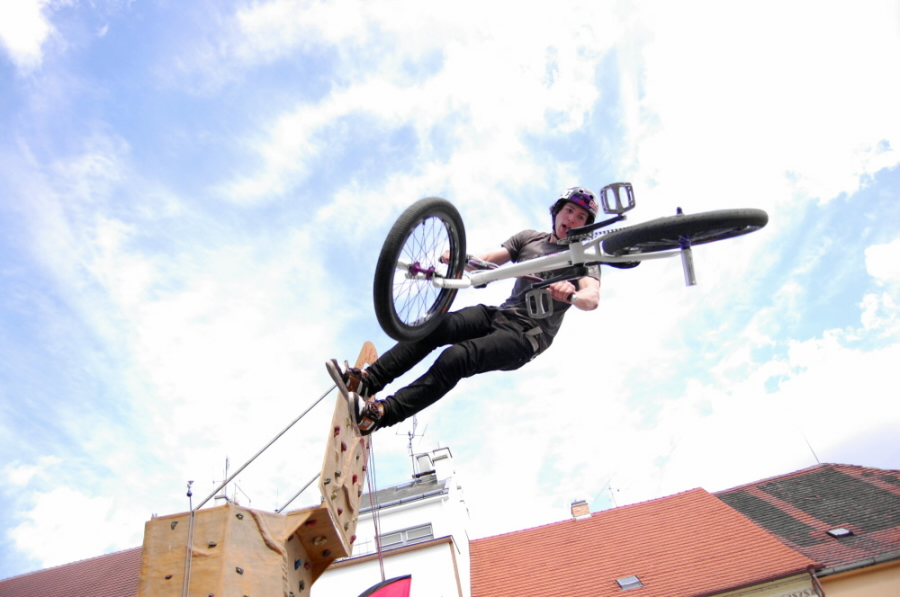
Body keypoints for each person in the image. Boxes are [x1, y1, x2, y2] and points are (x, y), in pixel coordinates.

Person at [334, 187, 602, 435]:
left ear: (586, 226)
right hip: (499, 315)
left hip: (527, 336)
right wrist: (461, 258)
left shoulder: (582, 256)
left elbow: (592, 297)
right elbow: (487, 262)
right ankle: (368, 381)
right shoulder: (529, 238)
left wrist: (573, 294)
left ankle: (380, 414)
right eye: (569, 211)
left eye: (581, 217)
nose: (572, 219)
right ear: (557, 211)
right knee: (436, 326)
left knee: (456, 358)